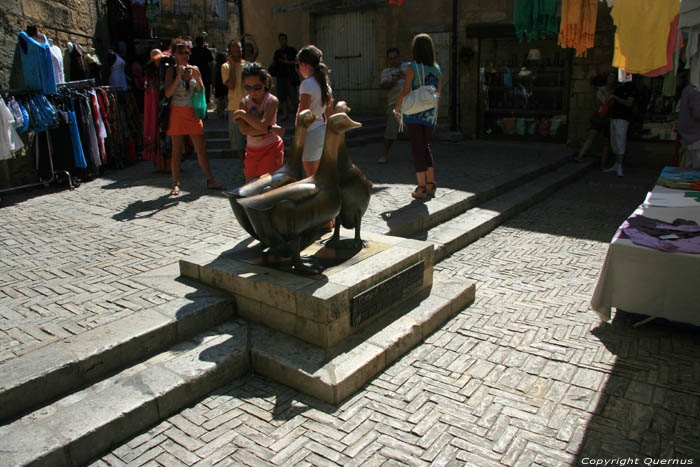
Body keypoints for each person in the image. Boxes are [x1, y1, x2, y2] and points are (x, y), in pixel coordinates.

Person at [164, 41, 222, 195]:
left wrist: (192, 78)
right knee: (177, 151)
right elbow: (168, 93)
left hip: (191, 112)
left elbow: (202, 89)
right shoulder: (171, 71)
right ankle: (175, 183)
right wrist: (178, 77)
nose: (185, 55)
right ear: (175, 54)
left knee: (201, 150)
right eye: (182, 52)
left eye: (187, 52)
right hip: (176, 112)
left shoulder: (195, 69)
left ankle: (210, 179)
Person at [395, 33, 442, 199]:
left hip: (414, 113)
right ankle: (431, 183)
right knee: (425, 146)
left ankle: (421, 186)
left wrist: (398, 107)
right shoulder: (436, 69)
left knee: (417, 148)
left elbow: (406, 90)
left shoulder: (412, 67)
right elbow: (439, 93)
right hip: (430, 115)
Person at [233, 62, 286, 182]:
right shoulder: (244, 102)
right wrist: (271, 129)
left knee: (269, 187)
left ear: (265, 83)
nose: (253, 92)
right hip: (252, 150)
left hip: (271, 148)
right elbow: (244, 130)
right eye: (248, 88)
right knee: (250, 187)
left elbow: (262, 124)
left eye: (257, 87)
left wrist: (242, 114)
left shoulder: (271, 101)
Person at [296, 45, 333, 178]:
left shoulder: (307, 84)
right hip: (321, 130)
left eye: (299, 65)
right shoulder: (326, 85)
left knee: (311, 175)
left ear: (304, 64)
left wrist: (299, 136)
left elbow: (304, 114)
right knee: (318, 172)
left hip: (310, 132)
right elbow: (330, 115)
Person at [574, 71, 616, 167]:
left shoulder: (614, 91)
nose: (611, 79)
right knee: (591, 136)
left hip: (608, 117)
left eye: (613, 77)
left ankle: (603, 163)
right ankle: (580, 156)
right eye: (610, 77)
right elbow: (601, 103)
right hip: (600, 116)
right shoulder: (601, 90)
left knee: (606, 141)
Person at [378, 47, 409, 164]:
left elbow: (416, 80)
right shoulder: (386, 72)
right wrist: (392, 82)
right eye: (391, 59)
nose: (393, 60)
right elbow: (383, 86)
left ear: (399, 57)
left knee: (415, 130)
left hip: (410, 103)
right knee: (391, 130)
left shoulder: (407, 67)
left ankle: (420, 154)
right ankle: (384, 153)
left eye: (395, 58)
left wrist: (405, 76)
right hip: (394, 104)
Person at [221, 40, 247, 163]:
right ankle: (244, 166)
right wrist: (232, 65)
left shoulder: (248, 65)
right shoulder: (225, 67)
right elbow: (231, 85)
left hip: (249, 107)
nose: (238, 53)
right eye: (235, 51)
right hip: (234, 108)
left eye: (239, 50)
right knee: (237, 143)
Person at [605, 78, 636, 177]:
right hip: (614, 117)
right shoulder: (617, 87)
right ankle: (616, 163)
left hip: (623, 118)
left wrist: (615, 97)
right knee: (614, 141)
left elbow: (629, 103)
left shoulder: (630, 88)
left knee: (620, 140)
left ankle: (620, 166)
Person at [273, 33, 299, 121]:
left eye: (283, 39)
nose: (282, 41)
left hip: (290, 76)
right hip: (281, 77)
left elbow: (296, 62)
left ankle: (297, 114)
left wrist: (287, 62)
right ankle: (285, 114)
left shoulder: (292, 50)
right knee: (282, 96)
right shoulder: (277, 52)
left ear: (286, 40)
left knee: (293, 96)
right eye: (280, 39)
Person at [678, 80, 700, 169]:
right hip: (695, 138)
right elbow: (698, 113)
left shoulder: (690, 89)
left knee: (691, 173)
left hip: (691, 138)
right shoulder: (695, 89)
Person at [189, 35, 214, 110]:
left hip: (195, 73)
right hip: (205, 73)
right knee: (205, 92)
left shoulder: (192, 51)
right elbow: (211, 64)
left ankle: (196, 108)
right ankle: (204, 110)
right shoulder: (207, 51)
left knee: (195, 91)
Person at [214, 52, 228, 119]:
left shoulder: (217, 66)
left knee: (220, 99)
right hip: (224, 83)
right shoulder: (226, 65)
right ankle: (225, 112)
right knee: (225, 98)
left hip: (218, 83)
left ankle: (220, 112)